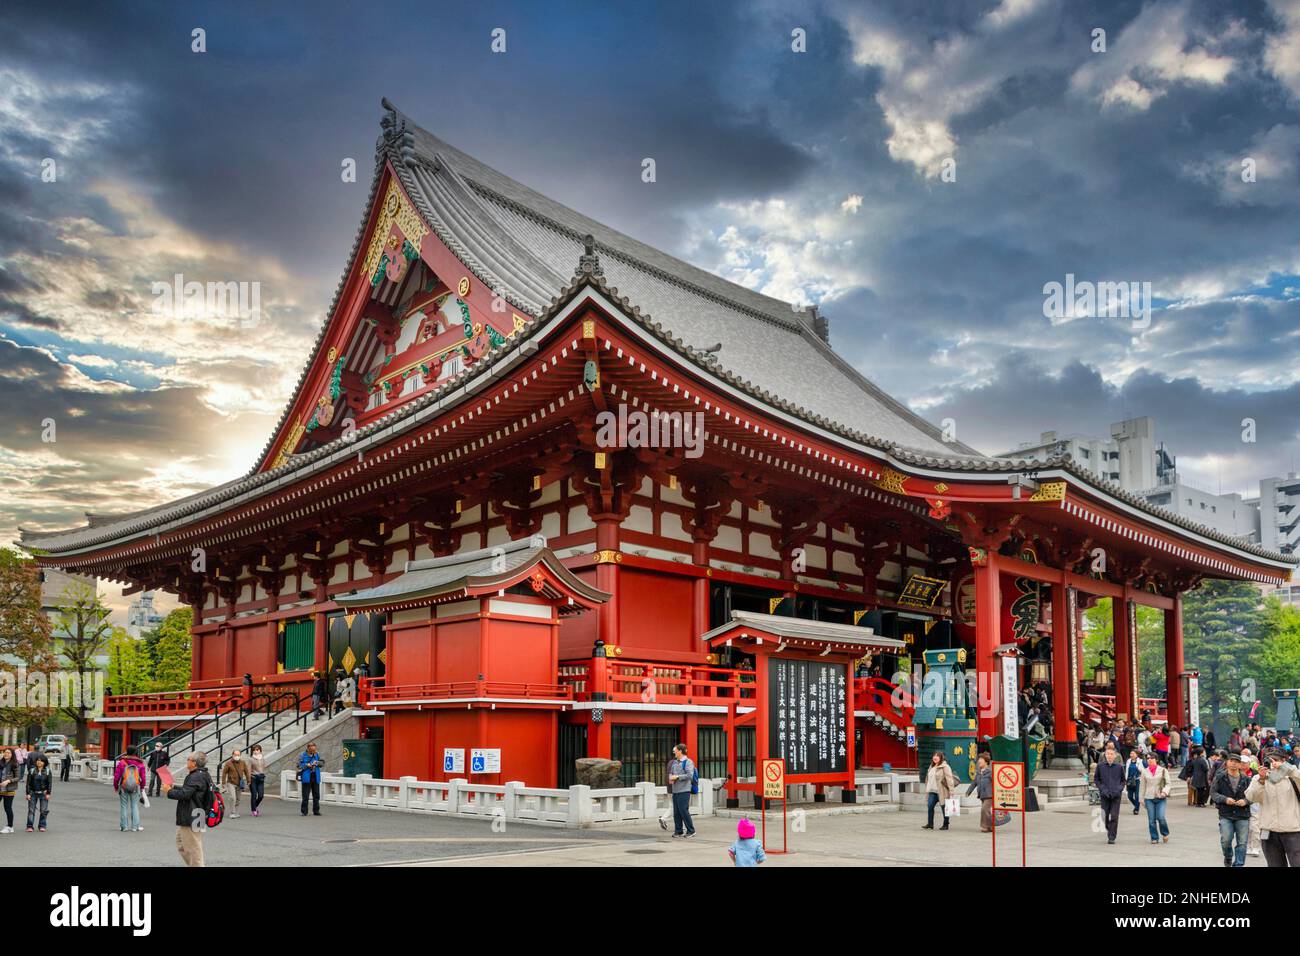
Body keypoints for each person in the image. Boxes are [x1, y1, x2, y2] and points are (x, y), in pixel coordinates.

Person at [1246, 747, 1300, 867]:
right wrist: (1261, 780)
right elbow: (1251, 797)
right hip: (1268, 831)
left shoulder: (1292, 777)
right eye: (1268, 760)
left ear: (1283, 761)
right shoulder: (1259, 778)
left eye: (1275, 760)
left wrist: (1287, 769)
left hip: (1293, 831)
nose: (1272, 763)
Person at [164, 752, 213, 867]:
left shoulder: (195, 776)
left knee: (194, 848)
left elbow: (185, 794)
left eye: (188, 759)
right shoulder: (201, 774)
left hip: (193, 814)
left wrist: (169, 791)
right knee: (181, 843)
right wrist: (174, 787)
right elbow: (190, 791)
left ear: (194, 763)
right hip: (196, 813)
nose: (187, 761)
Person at [1212, 752, 1252, 867]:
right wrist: (1224, 799)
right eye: (1231, 761)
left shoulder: (1246, 779)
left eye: (1237, 762)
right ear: (1227, 762)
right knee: (1226, 840)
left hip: (1242, 814)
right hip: (1226, 814)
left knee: (1242, 843)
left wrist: (1245, 801)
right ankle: (1228, 856)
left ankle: (1238, 864)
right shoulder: (1220, 777)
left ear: (1240, 765)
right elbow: (1213, 793)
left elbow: (1253, 795)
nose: (1234, 764)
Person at [113, 745, 148, 833]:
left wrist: (116, 786)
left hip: (124, 786)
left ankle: (124, 827)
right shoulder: (140, 763)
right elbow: (143, 778)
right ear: (136, 752)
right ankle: (135, 827)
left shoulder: (122, 762)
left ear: (126, 751)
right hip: (136, 787)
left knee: (123, 806)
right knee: (134, 806)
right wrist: (142, 787)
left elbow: (117, 776)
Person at [1096, 747, 1126, 844]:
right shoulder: (1100, 766)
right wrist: (1103, 789)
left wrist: (1119, 790)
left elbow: (1123, 781)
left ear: (1115, 756)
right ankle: (1109, 829)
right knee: (1104, 816)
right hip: (1105, 795)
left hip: (1116, 795)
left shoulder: (1119, 767)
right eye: (1107, 754)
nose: (1109, 755)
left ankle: (1112, 836)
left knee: (1114, 816)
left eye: (1111, 754)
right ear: (1105, 755)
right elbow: (1097, 780)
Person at [1140, 753, 1171, 845]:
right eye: (1148, 758)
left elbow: (1168, 783)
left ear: (1156, 759)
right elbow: (1142, 786)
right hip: (1148, 798)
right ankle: (1154, 837)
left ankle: (1165, 833)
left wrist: (1164, 792)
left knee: (1161, 817)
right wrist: (1141, 799)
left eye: (1152, 758)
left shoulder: (1163, 770)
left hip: (1160, 797)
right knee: (1151, 820)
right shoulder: (1144, 771)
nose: (1149, 760)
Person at [922, 751, 957, 831]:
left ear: (941, 758)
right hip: (932, 791)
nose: (935, 757)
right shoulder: (931, 766)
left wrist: (951, 791)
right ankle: (930, 824)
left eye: (937, 756)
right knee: (930, 806)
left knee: (944, 808)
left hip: (942, 791)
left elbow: (949, 779)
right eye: (934, 755)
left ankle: (946, 824)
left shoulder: (945, 767)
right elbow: (928, 778)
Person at [667, 743, 696, 838]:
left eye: (675, 751)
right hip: (675, 790)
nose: (674, 753)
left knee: (683, 810)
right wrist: (671, 777)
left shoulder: (688, 762)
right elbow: (671, 772)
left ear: (680, 751)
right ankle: (678, 831)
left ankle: (691, 830)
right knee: (676, 812)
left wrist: (678, 777)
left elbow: (690, 775)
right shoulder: (675, 762)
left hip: (684, 790)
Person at [967, 753, 993, 833]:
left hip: (990, 795)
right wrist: (969, 791)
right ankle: (990, 826)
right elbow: (974, 783)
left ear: (986, 762)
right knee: (987, 811)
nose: (979, 762)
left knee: (984, 809)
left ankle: (984, 827)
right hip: (982, 795)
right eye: (979, 760)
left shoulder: (990, 772)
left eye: (981, 760)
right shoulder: (978, 773)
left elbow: (996, 782)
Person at [24, 755, 52, 832]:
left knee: (43, 810)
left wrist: (48, 793)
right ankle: (30, 826)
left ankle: (42, 825)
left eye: (41, 761)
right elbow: (28, 783)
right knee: (31, 810)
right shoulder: (32, 770)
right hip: (33, 792)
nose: (39, 762)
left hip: (43, 793)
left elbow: (49, 783)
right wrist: (28, 793)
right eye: (38, 760)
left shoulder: (48, 771)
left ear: (44, 762)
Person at [220, 749, 249, 819]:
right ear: (232, 755)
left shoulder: (243, 763)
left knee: (238, 798)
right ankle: (232, 813)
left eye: (238, 755)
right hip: (231, 783)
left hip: (239, 783)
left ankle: (236, 812)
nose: (237, 756)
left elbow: (246, 772)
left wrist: (249, 780)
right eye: (235, 755)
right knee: (233, 797)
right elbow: (224, 773)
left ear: (240, 755)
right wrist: (223, 782)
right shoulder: (228, 763)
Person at [298, 743, 324, 817]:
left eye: (314, 749)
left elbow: (322, 763)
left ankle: (316, 811)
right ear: (308, 749)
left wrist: (317, 763)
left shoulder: (317, 754)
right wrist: (306, 765)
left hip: (315, 776)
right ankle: (304, 811)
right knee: (305, 796)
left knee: (316, 795)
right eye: (312, 750)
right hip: (306, 777)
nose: (314, 751)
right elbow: (298, 765)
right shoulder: (302, 755)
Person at [0, 749, 19, 834]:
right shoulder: (1, 763)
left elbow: (18, 777)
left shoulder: (15, 764)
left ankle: (10, 826)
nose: (6, 754)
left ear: (12, 754)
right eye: (5, 752)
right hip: (0, 788)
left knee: (7, 808)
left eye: (8, 753)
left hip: (9, 789)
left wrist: (8, 781)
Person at [247, 744, 267, 816]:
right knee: (254, 794)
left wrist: (262, 774)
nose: (256, 751)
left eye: (257, 750)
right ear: (252, 751)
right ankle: (253, 810)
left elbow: (264, 767)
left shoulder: (263, 758)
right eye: (254, 750)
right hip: (253, 778)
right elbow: (248, 770)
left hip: (261, 778)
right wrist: (248, 780)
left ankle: (254, 806)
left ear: (260, 750)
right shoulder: (250, 759)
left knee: (261, 795)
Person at [1125, 750, 1143, 814]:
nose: (1131, 755)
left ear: (1136, 755)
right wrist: (1125, 779)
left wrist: (1139, 770)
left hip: (1137, 780)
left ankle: (1136, 809)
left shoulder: (1140, 761)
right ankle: (1137, 805)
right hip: (1130, 780)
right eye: (1131, 753)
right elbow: (1127, 771)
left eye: (1133, 753)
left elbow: (1144, 770)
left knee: (1137, 796)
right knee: (1129, 796)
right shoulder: (1128, 761)